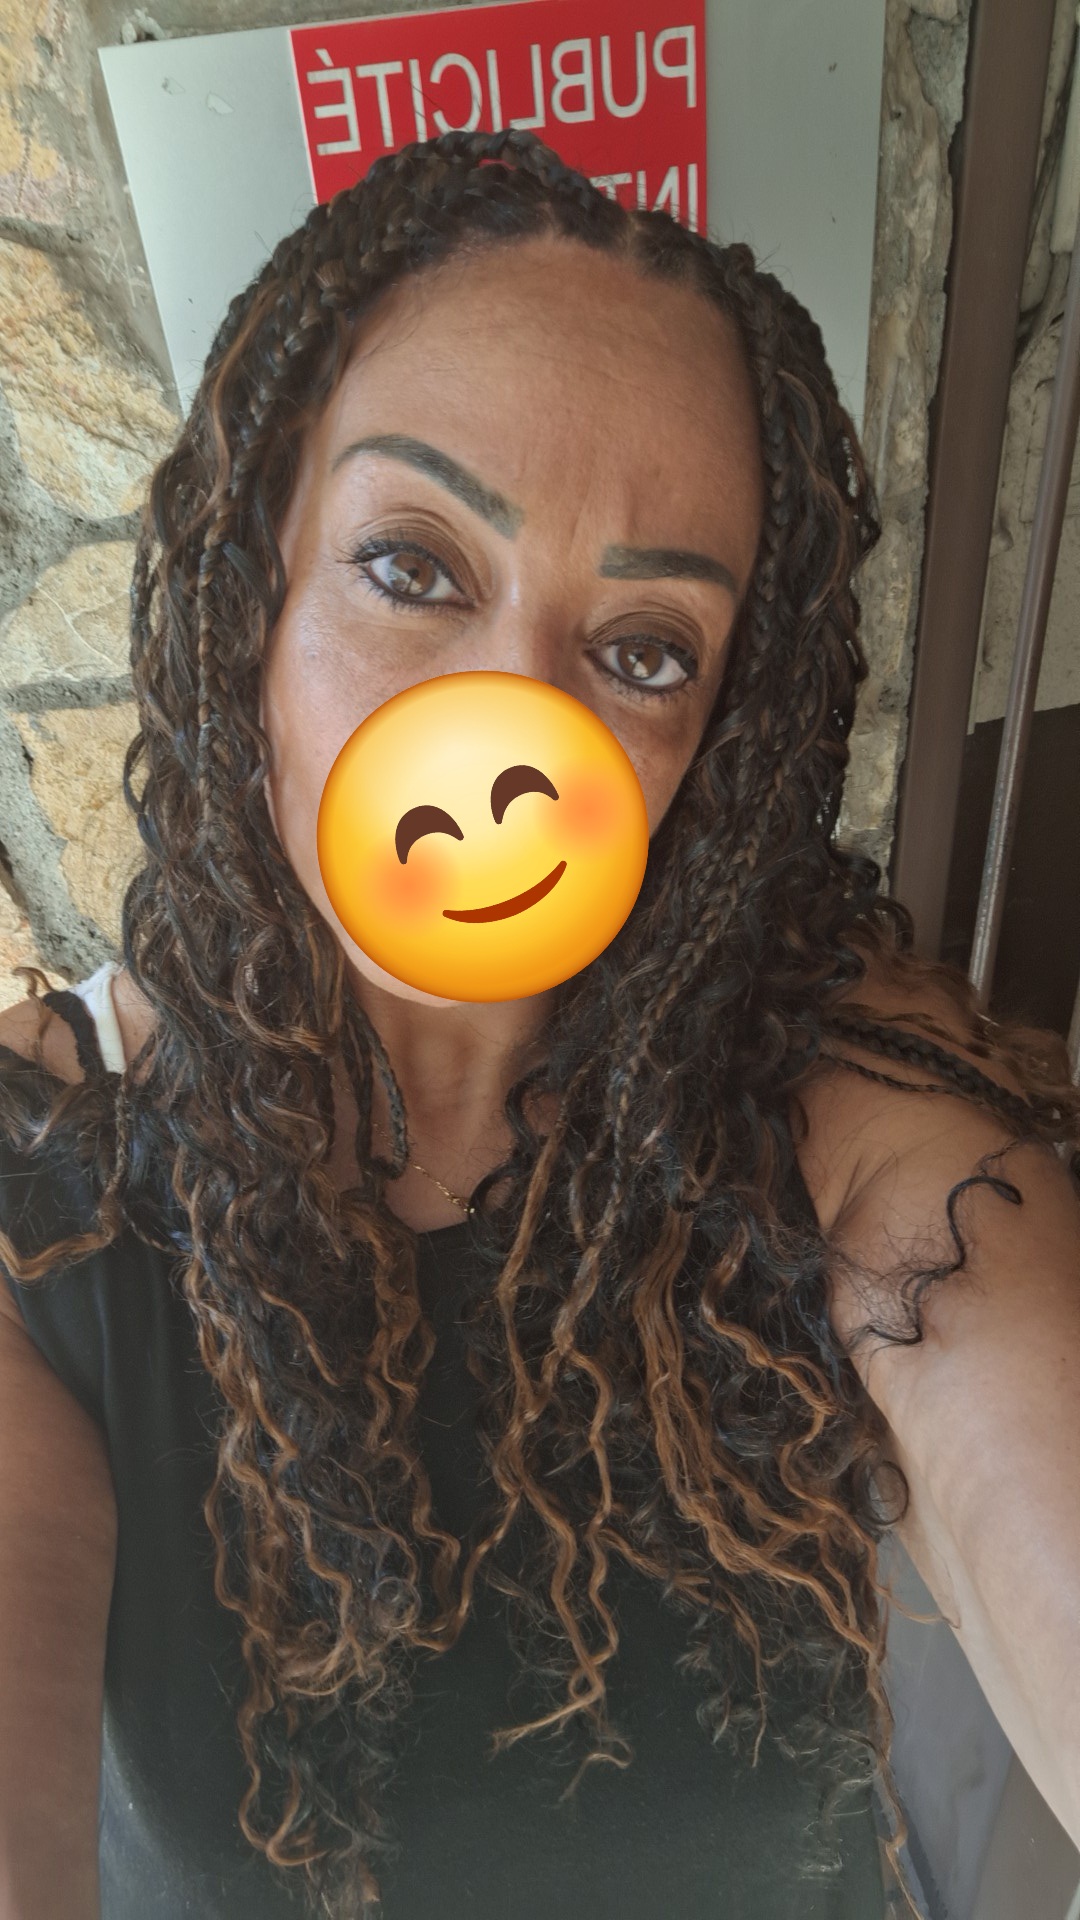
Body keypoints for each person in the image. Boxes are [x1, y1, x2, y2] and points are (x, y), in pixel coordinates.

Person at [0, 128, 1078, 1920]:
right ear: (258, 585)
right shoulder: (50, 1180)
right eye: (413, 566)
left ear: (710, 747)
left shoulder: (833, 1121)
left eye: (643, 651)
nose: (508, 731)